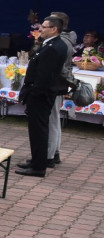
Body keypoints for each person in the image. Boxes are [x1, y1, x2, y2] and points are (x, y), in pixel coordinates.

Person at [17, 14, 69, 177]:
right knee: (36, 129)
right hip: (41, 93)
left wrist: (34, 93)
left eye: (44, 27)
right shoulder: (50, 44)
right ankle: (36, 160)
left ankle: (39, 166)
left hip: (41, 94)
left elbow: (45, 75)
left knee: (39, 129)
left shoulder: (54, 47)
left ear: (54, 29)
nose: (41, 29)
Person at [49, 12, 76, 166]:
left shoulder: (62, 43)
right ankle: (55, 152)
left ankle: (49, 155)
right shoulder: (65, 41)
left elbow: (59, 68)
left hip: (55, 84)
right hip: (58, 84)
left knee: (50, 121)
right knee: (54, 119)